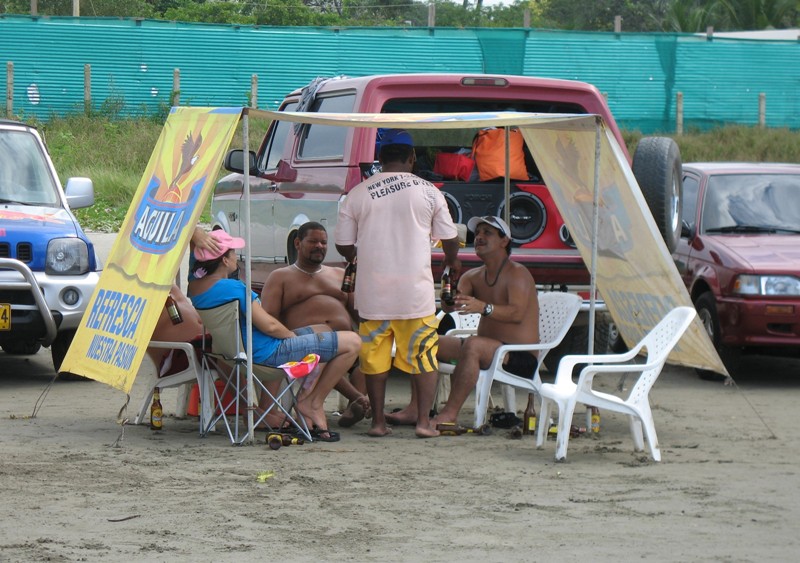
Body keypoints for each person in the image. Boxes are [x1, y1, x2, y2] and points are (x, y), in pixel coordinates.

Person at [335, 128, 461, 438]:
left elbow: (342, 243)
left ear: (380, 158)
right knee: (423, 356)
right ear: (412, 157)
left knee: (375, 358)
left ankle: (378, 423)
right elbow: (450, 237)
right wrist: (450, 259)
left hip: (373, 294)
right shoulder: (430, 191)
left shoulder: (358, 193)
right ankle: (422, 423)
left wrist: (358, 256)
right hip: (413, 295)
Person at [189, 229, 361, 442]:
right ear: (224, 260)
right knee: (353, 342)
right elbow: (269, 325)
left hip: (235, 354)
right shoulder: (234, 288)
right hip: (269, 356)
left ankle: (289, 405)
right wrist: (290, 336)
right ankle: (312, 402)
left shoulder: (195, 286)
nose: (236, 258)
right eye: (233, 254)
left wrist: (195, 235)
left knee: (323, 330)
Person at [428, 216, 540, 430]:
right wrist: (449, 281)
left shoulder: (518, 273)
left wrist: (484, 307)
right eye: (477, 233)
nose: (479, 237)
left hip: (520, 356)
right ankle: (419, 410)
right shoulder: (473, 276)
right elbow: (450, 307)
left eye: (487, 233)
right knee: (427, 342)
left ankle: (449, 414)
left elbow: (516, 314)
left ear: (504, 241)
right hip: (487, 350)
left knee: (473, 345)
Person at [261, 221, 370, 428]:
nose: (319, 246)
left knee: (371, 352)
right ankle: (354, 398)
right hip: (304, 342)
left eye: (323, 242)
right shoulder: (281, 277)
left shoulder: (339, 274)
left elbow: (358, 312)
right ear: (297, 243)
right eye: (313, 241)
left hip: (344, 341)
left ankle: (352, 406)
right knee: (323, 348)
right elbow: (269, 318)